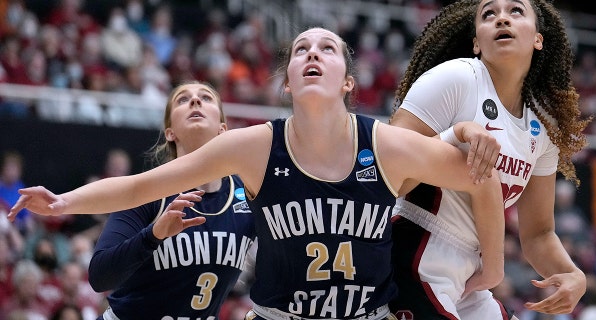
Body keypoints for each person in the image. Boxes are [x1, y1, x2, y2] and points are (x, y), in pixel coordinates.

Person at [8, 27, 504, 320]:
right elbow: (143, 185)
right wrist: (65, 201)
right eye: (300, 51)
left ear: (349, 82)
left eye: (327, 48)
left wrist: (462, 131)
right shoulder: (253, 146)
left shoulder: (386, 144)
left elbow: (483, 176)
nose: (312, 53)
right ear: (287, 82)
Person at [387, 0, 590, 318]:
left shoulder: (542, 127)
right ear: (476, 43)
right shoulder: (457, 79)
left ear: (538, 39)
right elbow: (384, 171)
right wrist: (453, 135)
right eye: (489, 14)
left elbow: (538, 233)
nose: (502, 19)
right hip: (413, 246)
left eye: (516, 11)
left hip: (472, 274)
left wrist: (572, 273)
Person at [88, 81, 257, 319]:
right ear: (170, 132)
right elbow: (99, 276)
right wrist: (154, 235)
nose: (195, 101)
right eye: (182, 99)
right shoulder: (149, 190)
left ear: (222, 129)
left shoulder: (246, 194)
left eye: (206, 98)